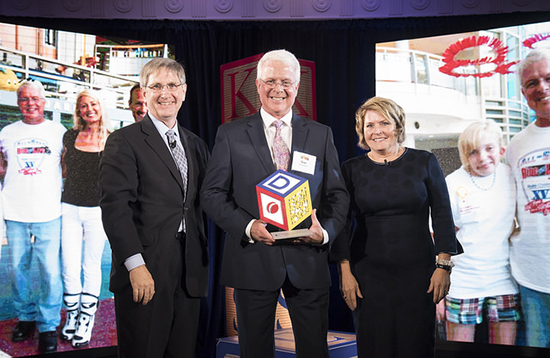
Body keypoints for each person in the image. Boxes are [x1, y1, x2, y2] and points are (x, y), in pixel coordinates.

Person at [200, 49, 349, 358]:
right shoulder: (230, 134)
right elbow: (212, 194)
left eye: (286, 81)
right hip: (252, 260)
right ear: (257, 85)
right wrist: (248, 225)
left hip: (308, 260)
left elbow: (338, 194)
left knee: (314, 351)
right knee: (255, 352)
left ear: (297, 86)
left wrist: (325, 233)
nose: (278, 89)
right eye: (270, 81)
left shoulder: (321, 135)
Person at [331, 96, 460, 358]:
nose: (377, 131)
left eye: (384, 123)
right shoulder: (351, 169)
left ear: (397, 127)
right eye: (369, 125)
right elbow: (341, 225)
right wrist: (345, 274)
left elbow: (443, 213)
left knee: (416, 345)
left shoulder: (424, 161)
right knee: (374, 346)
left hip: (418, 274)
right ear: (362, 131)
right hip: (367, 275)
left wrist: (443, 266)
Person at [99, 58, 210, 358]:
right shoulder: (124, 141)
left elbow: (211, 198)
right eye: (156, 86)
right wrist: (135, 266)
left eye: (172, 86)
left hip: (189, 269)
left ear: (184, 92)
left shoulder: (196, 144)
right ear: (144, 93)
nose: (165, 93)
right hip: (146, 266)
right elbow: (115, 208)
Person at [0, 80, 66, 353]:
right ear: (18, 103)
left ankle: (48, 324)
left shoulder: (58, 131)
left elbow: (67, 167)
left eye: (35, 99)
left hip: (49, 211)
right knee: (18, 270)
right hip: (14, 211)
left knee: (51, 272)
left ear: (44, 102)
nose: (30, 104)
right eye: (25, 99)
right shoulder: (7, 132)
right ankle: (26, 317)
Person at [444, 120, 519, 344]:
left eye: (489, 149)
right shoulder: (452, 182)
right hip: (463, 282)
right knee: (460, 350)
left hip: (505, 279)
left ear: (501, 150)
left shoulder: (510, 176)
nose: (483, 157)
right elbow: (439, 239)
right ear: (465, 155)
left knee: (506, 350)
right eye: (473, 152)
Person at [60, 89, 112, 347]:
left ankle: (86, 319)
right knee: (69, 264)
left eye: (93, 104)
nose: (89, 109)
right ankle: (71, 315)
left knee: (90, 265)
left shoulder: (113, 140)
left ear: (100, 107)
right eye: (83, 105)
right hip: (69, 207)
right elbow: (64, 167)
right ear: (78, 111)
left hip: (96, 211)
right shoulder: (69, 136)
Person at [506, 48, 550, 348]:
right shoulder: (515, 146)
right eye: (532, 83)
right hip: (533, 279)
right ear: (524, 93)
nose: (541, 88)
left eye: (548, 78)